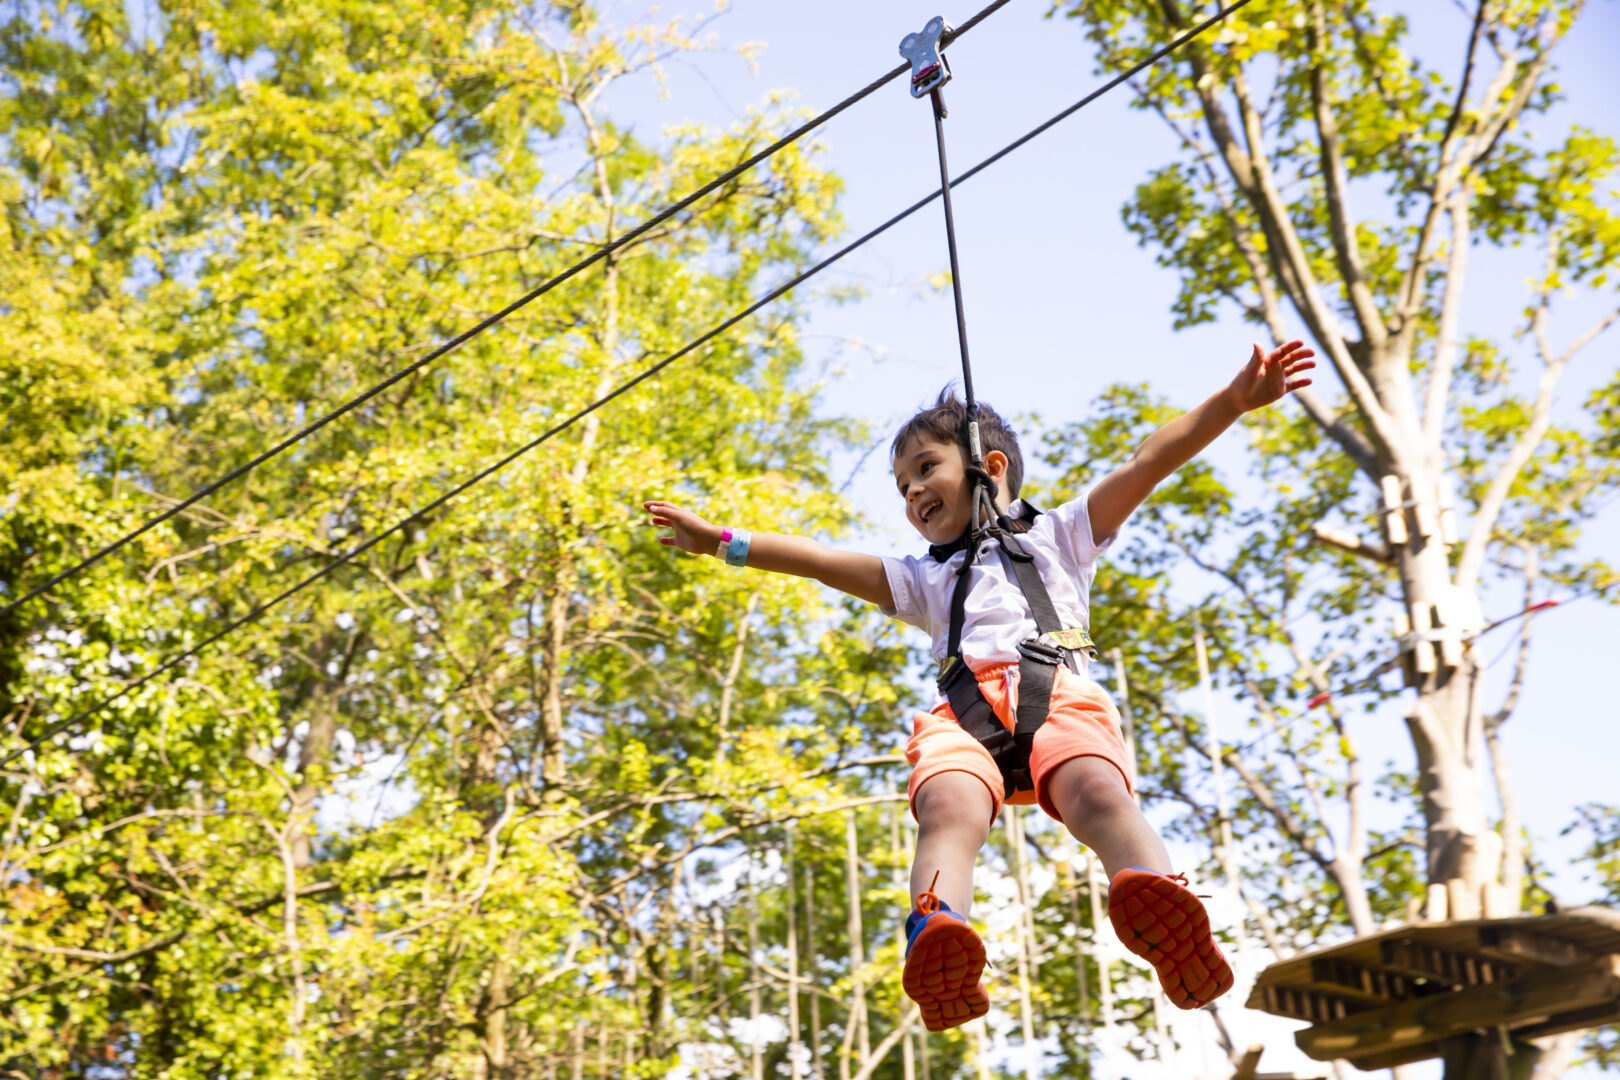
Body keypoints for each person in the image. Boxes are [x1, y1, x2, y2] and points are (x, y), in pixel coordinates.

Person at [643, 340, 1315, 1030]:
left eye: (925, 470)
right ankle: (938, 927)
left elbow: (1148, 462)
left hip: (1056, 696)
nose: (912, 494)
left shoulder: (1062, 536)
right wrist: (721, 542)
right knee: (947, 808)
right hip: (965, 720)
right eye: (902, 486)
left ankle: (1157, 898)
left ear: (990, 469)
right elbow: (818, 561)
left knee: (1096, 793)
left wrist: (1234, 402)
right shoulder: (922, 579)